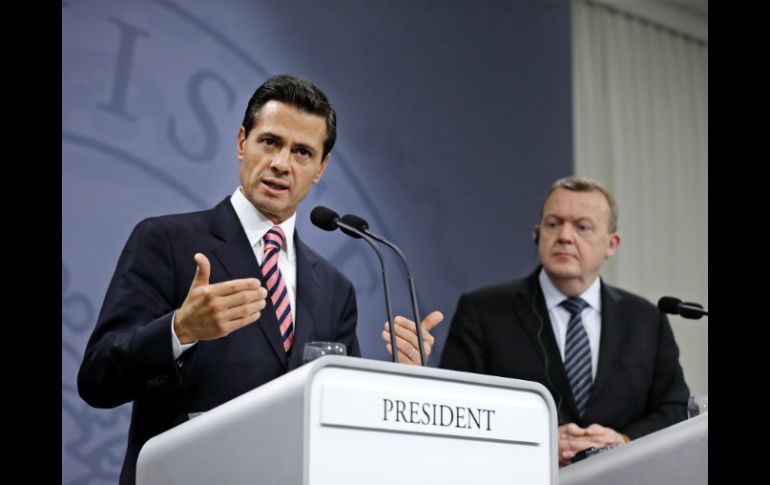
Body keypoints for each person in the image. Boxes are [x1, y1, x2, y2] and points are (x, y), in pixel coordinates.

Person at [78, 74, 434, 485]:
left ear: (321, 168)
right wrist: (179, 330)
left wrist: (401, 380)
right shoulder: (167, 242)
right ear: (241, 142)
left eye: (302, 152)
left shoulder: (335, 289)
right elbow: (97, 379)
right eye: (270, 142)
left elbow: (337, 417)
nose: (282, 163)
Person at [385, 176, 690, 467]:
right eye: (554, 224)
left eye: (582, 227)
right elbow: (462, 410)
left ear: (612, 244)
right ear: (538, 233)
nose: (565, 237)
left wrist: (624, 440)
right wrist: (536, 438)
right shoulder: (484, 311)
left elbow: (673, 409)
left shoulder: (646, 319)